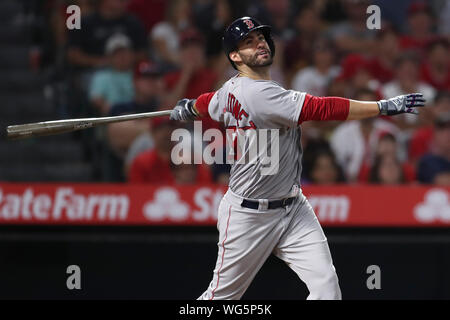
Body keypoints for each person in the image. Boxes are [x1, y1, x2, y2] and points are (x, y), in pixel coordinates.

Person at [169, 17, 426, 300]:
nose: (259, 44)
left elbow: (210, 101)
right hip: (248, 214)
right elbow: (322, 108)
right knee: (220, 298)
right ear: (234, 56)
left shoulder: (232, 88)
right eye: (248, 42)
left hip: (293, 207)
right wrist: (381, 107)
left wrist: (190, 107)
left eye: (261, 38)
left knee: (327, 288)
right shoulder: (260, 94)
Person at [88, 33, 135, 115]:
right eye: (116, 54)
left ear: (131, 54)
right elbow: (96, 100)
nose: (122, 56)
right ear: (109, 57)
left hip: (138, 114)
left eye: (124, 52)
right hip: (113, 117)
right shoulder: (101, 76)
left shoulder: (139, 74)